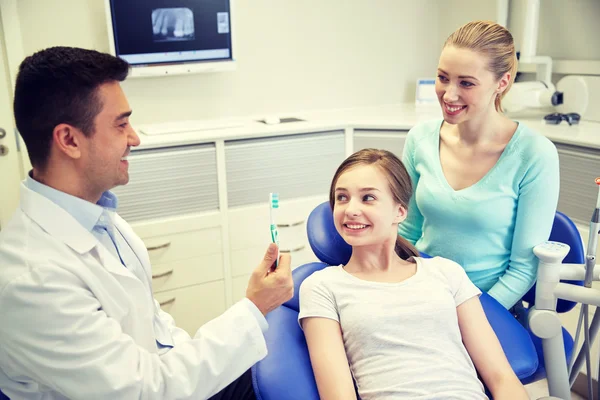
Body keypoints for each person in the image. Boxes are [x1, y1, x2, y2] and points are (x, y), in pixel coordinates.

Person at [0, 46, 293, 400]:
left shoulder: (99, 217)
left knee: (292, 355)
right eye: (121, 124)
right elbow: (144, 392)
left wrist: (220, 349)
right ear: (69, 140)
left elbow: (157, 330)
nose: (135, 138)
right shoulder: (32, 280)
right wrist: (254, 307)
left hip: (172, 382)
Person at [299, 148, 527, 399]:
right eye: (342, 198)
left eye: (367, 198)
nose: (350, 209)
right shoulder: (322, 287)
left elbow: (502, 378)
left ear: (400, 211)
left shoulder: (446, 272)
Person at [398, 20, 560, 310]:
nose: (449, 94)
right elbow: (407, 232)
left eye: (466, 83)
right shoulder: (419, 139)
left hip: (487, 306)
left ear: (503, 82)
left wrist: (470, 318)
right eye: (442, 77)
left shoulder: (534, 155)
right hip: (421, 294)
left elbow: (523, 269)